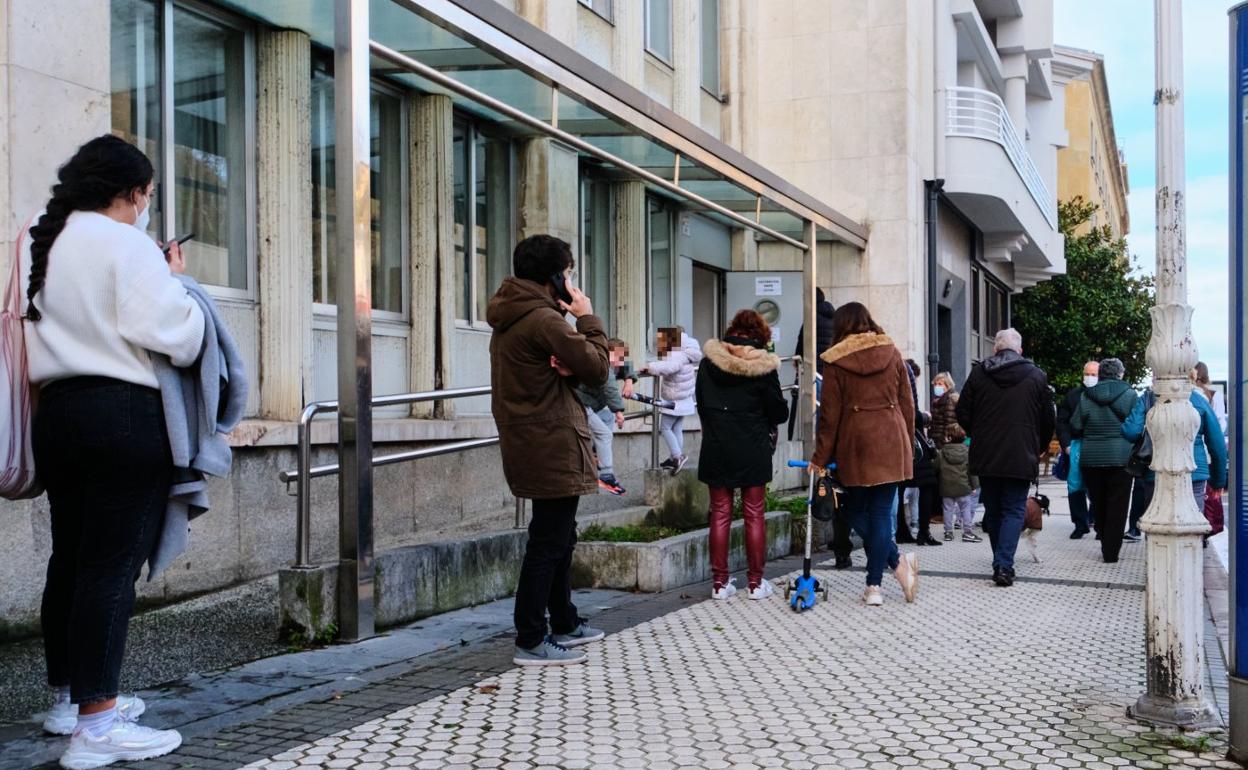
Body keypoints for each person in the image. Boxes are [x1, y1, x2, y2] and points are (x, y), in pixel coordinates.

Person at [24, 135, 205, 767]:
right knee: (108, 569)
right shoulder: (126, 242)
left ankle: (69, 701)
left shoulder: (39, 239)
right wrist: (178, 284)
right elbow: (173, 336)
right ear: (132, 193)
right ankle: (97, 728)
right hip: (122, 414)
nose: (146, 208)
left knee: (71, 561)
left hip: (57, 413)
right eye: (147, 196)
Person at [487, 234, 610, 667]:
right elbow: (598, 369)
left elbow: (565, 373)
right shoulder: (543, 320)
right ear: (554, 276)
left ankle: (563, 620)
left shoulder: (515, 316)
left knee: (559, 535)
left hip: (534, 438)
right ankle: (531, 637)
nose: (572, 281)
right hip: (551, 441)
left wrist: (568, 363)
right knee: (548, 541)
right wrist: (588, 319)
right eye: (568, 273)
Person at [809, 302, 919, 606]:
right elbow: (907, 404)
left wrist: (819, 458)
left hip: (855, 444)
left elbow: (829, 417)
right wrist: (907, 445)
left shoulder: (834, 361)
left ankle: (880, 581)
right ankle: (887, 576)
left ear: (840, 327)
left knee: (853, 510)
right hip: (891, 439)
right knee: (882, 513)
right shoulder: (891, 351)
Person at [696, 309, 789, 601]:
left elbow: (701, 402)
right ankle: (755, 583)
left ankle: (720, 585)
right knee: (754, 514)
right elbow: (778, 411)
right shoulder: (763, 367)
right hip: (752, 446)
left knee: (720, 513)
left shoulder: (708, 364)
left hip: (717, 445)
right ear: (760, 337)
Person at [956, 328, 1055, 587]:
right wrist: (1040, 445)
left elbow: (962, 411)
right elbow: (1048, 418)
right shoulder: (1036, 376)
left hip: (987, 453)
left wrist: (977, 432)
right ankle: (1003, 565)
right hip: (1021, 453)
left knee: (995, 509)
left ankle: (1000, 561)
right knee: (1013, 509)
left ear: (995, 349)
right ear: (1020, 351)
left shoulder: (979, 373)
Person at [1122, 378, 1226, 537]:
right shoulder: (1197, 399)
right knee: (1193, 525)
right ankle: (1192, 557)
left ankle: (1159, 559)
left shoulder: (1149, 398)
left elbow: (1131, 431)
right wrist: (1218, 480)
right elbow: (1217, 443)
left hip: (1156, 470)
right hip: (1194, 473)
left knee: (1156, 525)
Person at [1069, 358, 1138, 563]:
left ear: (1100, 375)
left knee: (1098, 502)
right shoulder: (1130, 395)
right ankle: (1111, 552)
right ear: (1120, 374)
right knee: (1118, 505)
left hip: (1092, 458)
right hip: (1121, 458)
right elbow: (1136, 426)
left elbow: (1076, 425)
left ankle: (1103, 539)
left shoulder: (1086, 396)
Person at [641, 327, 703, 474]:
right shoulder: (687, 353)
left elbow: (669, 367)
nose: (659, 343)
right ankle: (675, 457)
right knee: (676, 428)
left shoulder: (677, 355)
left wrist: (650, 367)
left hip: (674, 400)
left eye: (662, 339)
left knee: (665, 428)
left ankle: (677, 456)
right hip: (685, 399)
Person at [576, 337, 631, 496]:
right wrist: (619, 412)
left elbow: (628, 366)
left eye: (623, 357)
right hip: (580, 404)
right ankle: (606, 474)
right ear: (608, 354)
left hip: (590, 405)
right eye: (619, 356)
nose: (621, 361)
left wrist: (629, 381)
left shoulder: (606, 361)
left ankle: (595, 452)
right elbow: (610, 389)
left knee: (607, 417)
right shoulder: (603, 367)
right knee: (604, 433)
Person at [1056, 361, 1100, 539]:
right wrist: (1066, 444)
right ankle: (1080, 524)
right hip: (1075, 445)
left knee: (1098, 487)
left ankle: (1097, 521)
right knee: (1075, 486)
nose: (1089, 377)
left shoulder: (1103, 395)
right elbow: (1061, 422)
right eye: (1087, 374)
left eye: (1093, 374)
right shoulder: (1073, 395)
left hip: (1097, 445)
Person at [903, 359, 941, 546]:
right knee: (927, 484)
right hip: (913, 445)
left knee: (900, 487)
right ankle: (924, 532)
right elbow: (912, 414)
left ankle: (902, 531)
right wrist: (926, 417)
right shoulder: (905, 377)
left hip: (897, 443)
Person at [936, 424, 982, 543]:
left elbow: (936, 467)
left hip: (946, 487)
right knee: (965, 509)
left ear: (949, 438)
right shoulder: (967, 452)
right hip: (963, 486)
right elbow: (971, 471)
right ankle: (967, 532)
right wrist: (974, 486)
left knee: (947, 509)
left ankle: (948, 532)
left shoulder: (942, 452)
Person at [928, 371, 959, 448]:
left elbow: (949, 423)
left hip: (943, 443)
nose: (936, 387)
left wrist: (943, 442)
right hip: (936, 441)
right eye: (935, 384)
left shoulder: (950, 399)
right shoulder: (937, 400)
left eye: (940, 384)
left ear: (947, 386)